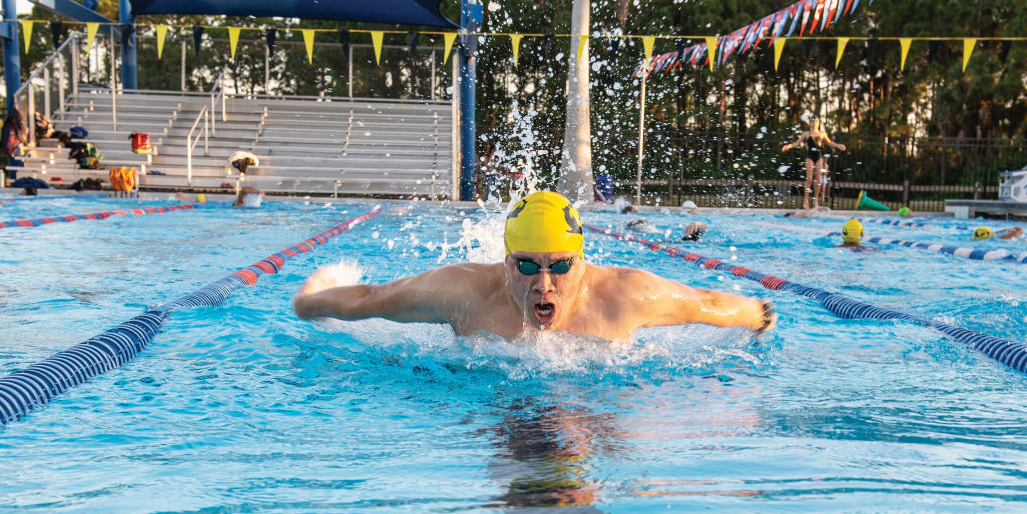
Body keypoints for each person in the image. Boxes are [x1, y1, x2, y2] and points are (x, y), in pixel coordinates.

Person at [294, 190, 775, 342]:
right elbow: (373, 299)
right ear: (505, 264)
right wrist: (309, 302)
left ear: (581, 261)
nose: (544, 284)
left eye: (560, 266)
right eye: (526, 267)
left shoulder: (623, 298)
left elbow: (705, 304)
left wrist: (758, 314)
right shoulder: (463, 293)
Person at [781, 116, 847, 212]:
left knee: (818, 179)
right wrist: (788, 146)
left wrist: (838, 146)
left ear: (818, 123)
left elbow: (830, 143)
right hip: (810, 156)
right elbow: (797, 143)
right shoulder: (806, 134)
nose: (814, 123)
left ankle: (815, 200)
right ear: (810, 123)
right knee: (809, 179)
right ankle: (806, 201)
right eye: (812, 121)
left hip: (819, 157)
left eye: (816, 121)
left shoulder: (822, 134)